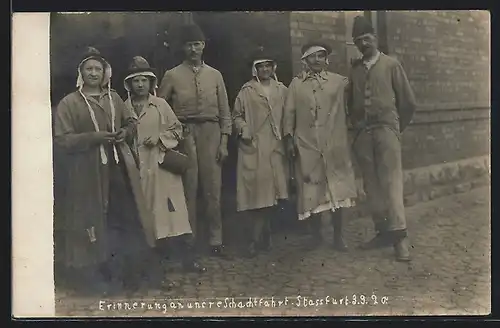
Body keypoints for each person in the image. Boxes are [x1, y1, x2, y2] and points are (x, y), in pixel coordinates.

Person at [53, 47, 156, 296]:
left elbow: (130, 121)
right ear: (81, 73)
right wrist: (94, 137)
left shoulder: (114, 99)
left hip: (115, 169)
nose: (93, 73)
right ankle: (91, 277)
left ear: (105, 73)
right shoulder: (70, 103)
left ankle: (121, 272)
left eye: (98, 69)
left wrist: (125, 131)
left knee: (120, 219)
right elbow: (62, 139)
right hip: (86, 172)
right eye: (88, 69)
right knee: (90, 220)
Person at [123, 56, 206, 280]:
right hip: (139, 168)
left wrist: (159, 138)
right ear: (129, 84)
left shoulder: (160, 105)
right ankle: (156, 264)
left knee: (174, 214)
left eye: (144, 80)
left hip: (161, 167)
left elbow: (177, 130)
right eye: (135, 81)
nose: (140, 85)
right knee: (148, 215)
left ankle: (188, 259)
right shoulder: (124, 108)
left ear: (151, 83)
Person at [157, 24, 231, 257]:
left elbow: (225, 111)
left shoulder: (215, 75)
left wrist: (224, 142)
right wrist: (171, 135)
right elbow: (159, 107)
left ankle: (215, 239)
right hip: (185, 134)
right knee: (188, 188)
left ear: (204, 46)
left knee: (213, 189)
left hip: (211, 132)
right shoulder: (172, 75)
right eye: (189, 45)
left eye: (197, 44)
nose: (193, 49)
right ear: (182, 47)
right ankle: (188, 242)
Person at [347, 16, 416, 262]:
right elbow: (350, 105)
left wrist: (395, 128)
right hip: (363, 135)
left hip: (386, 131)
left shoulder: (391, 65)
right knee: (372, 187)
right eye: (358, 41)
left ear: (375, 38)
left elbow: (408, 103)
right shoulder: (354, 70)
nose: (363, 44)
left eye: (367, 38)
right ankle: (383, 232)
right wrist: (355, 132)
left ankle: (400, 239)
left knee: (391, 184)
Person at [283, 41, 357, 251]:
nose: (316, 60)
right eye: (312, 56)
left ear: (326, 59)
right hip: (307, 144)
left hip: (333, 144)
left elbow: (355, 94)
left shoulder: (338, 82)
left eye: (320, 56)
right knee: (311, 188)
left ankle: (338, 236)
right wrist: (289, 139)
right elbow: (289, 113)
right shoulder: (296, 85)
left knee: (337, 188)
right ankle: (316, 236)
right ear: (304, 60)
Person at [232, 47, 289, 258]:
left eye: (268, 65)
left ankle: (262, 235)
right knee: (258, 194)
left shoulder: (282, 89)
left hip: (276, 146)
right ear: (255, 69)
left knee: (273, 193)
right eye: (260, 66)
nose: (264, 69)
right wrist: (243, 128)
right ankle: (257, 238)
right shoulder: (247, 91)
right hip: (254, 145)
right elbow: (236, 116)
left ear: (273, 67)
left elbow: (290, 115)